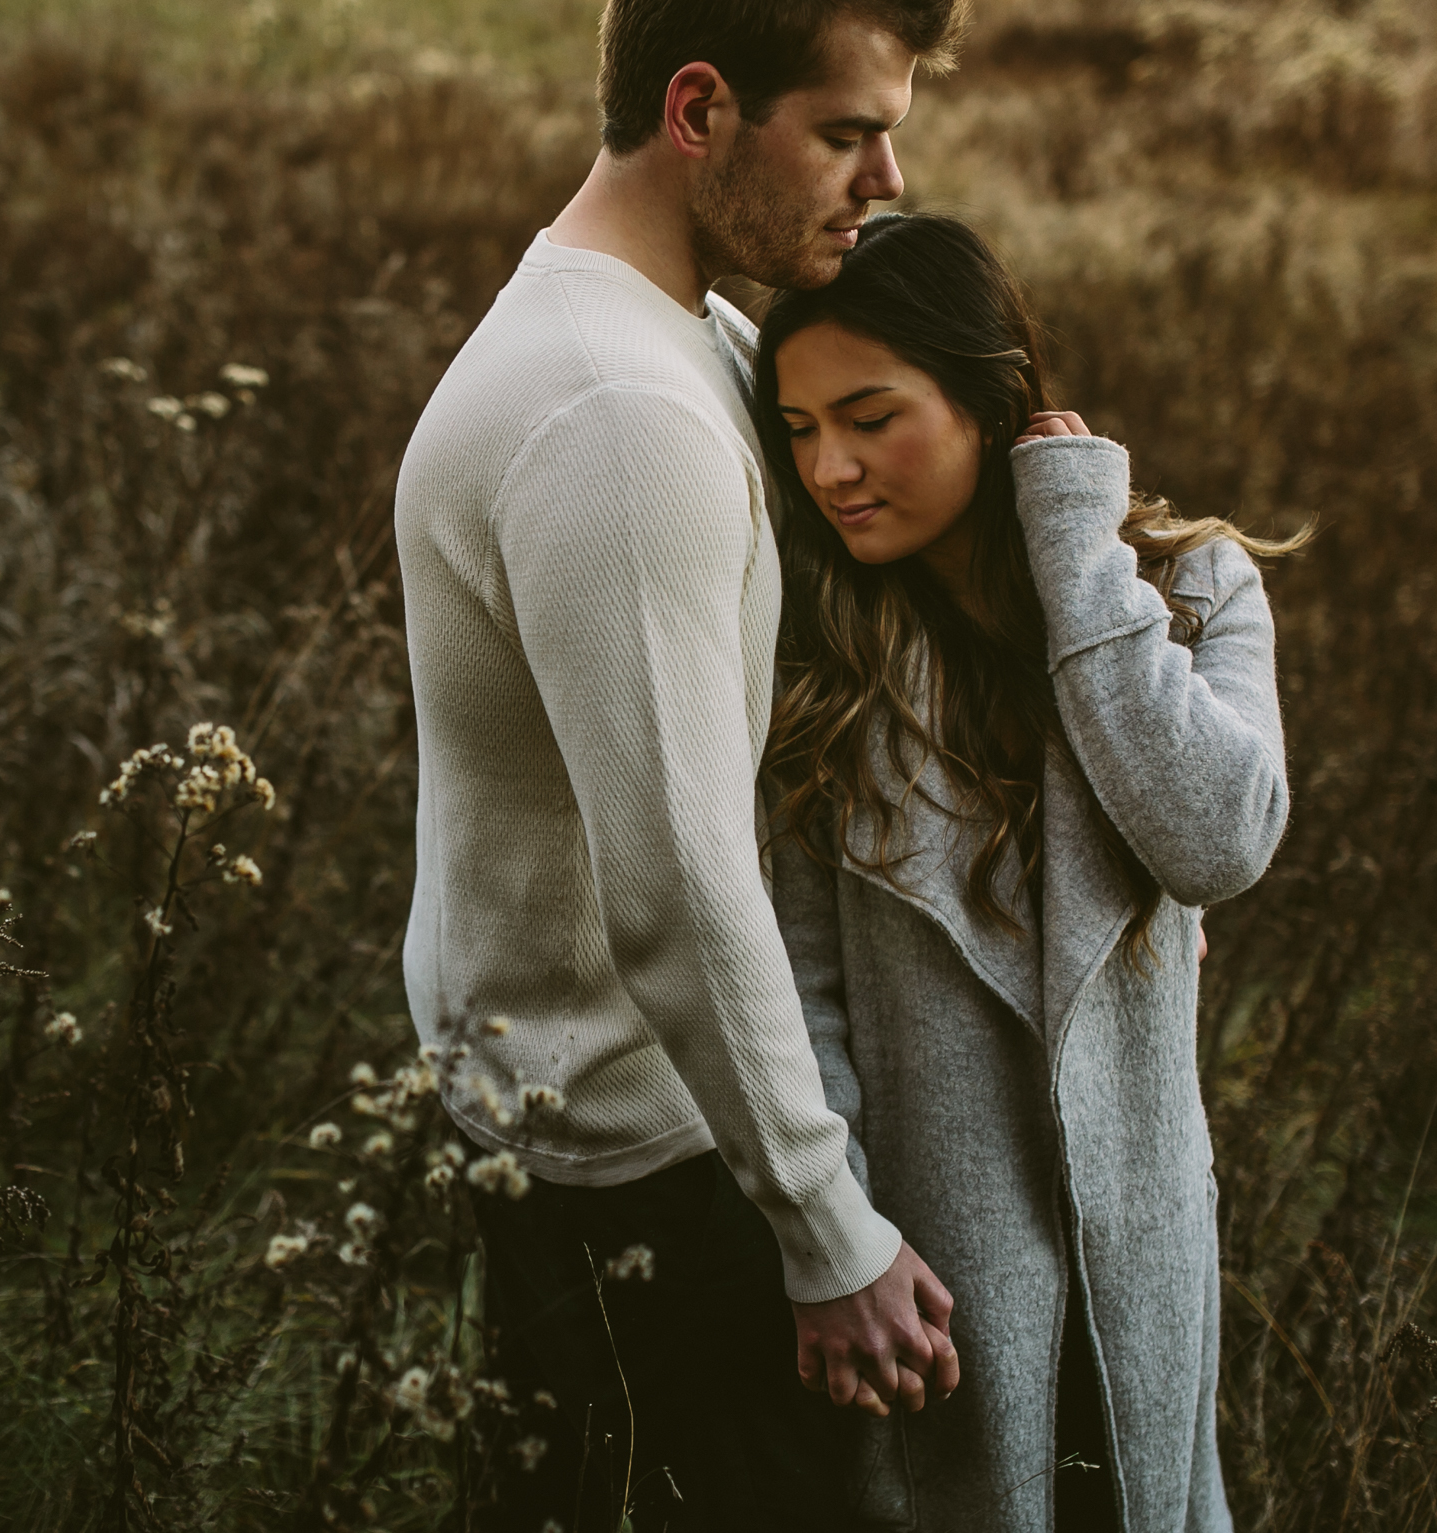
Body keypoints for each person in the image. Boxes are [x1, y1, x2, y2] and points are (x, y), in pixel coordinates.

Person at [394, 2, 968, 1527]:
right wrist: (825, 1226)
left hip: (581, 1115)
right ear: (700, 109)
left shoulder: (660, 333)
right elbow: (674, 886)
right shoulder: (617, 416)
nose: (887, 177)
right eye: (848, 134)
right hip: (641, 1159)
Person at [759, 210, 1303, 1530]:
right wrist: (834, 1243)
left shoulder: (1198, 591)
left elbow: (1217, 837)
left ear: (995, 400)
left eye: (872, 416)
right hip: (931, 1284)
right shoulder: (820, 664)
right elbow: (799, 991)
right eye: (800, 428)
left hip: (1144, 1261)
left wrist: (1074, 550)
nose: (831, 466)